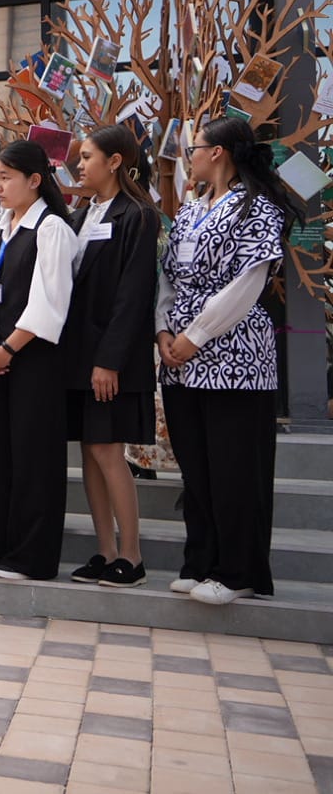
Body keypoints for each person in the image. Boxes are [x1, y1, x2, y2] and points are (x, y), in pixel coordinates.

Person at [158, 116, 300, 605]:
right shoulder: (190, 209)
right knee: (196, 467)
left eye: (194, 148)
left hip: (235, 356)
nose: (190, 157)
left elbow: (248, 283)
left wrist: (195, 335)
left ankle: (238, 572)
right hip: (179, 357)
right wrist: (163, 331)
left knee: (233, 467)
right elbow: (167, 278)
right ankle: (200, 562)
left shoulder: (256, 207)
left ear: (217, 152)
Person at [62, 125, 161, 589]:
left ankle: (132, 555)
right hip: (78, 354)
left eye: (87, 157)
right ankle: (104, 550)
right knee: (89, 450)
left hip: (111, 358)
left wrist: (110, 360)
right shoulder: (82, 213)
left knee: (107, 449)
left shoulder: (137, 215)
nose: (79, 165)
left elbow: (133, 295)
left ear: (115, 161)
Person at [0, 140, 77, 581]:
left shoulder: (51, 229)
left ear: (35, 180)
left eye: (6, 178)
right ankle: (2, 546)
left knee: (35, 457)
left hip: (35, 360)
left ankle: (33, 557)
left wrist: (8, 349)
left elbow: (48, 303)